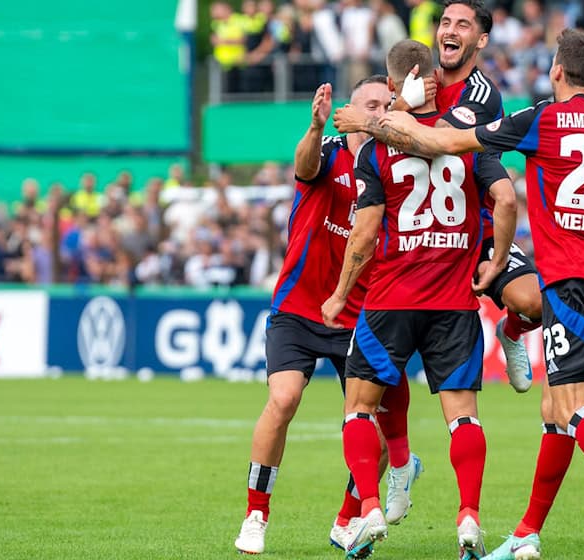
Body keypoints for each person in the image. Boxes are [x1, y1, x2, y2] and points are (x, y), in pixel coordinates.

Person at [377, 28, 584, 560]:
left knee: (572, 406)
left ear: (557, 71)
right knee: (552, 408)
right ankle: (526, 533)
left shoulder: (544, 118)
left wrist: (382, 118)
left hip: (568, 282)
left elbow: (445, 142)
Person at [321, 39, 516, 560]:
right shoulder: (462, 139)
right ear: (434, 79)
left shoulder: (377, 150)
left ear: (391, 86)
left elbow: (363, 236)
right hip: (454, 302)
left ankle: (368, 509)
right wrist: (495, 262)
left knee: (359, 411)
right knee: (464, 418)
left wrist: (340, 294)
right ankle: (469, 517)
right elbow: (504, 197)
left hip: (390, 298)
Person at [233, 78, 420, 557]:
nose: (379, 111)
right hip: (299, 307)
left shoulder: (397, 165)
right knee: (284, 399)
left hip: (361, 318)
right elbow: (304, 166)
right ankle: (256, 513)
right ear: (349, 110)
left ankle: (346, 520)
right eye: (370, 104)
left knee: (374, 436)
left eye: (386, 103)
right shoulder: (331, 150)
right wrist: (314, 128)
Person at [334, 0, 542, 394]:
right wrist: (398, 105)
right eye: (446, 22)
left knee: (532, 302)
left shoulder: (479, 93)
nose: (450, 30)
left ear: (480, 40)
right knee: (380, 377)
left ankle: (511, 331)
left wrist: (372, 119)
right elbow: (382, 143)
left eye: (462, 25)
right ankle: (399, 454)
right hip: (416, 229)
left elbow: (433, 144)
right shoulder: (417, 80)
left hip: (472, 226)